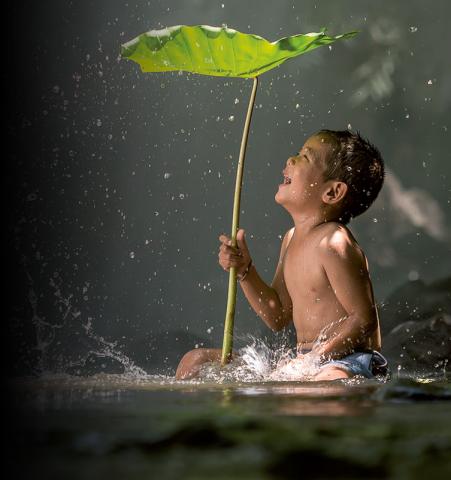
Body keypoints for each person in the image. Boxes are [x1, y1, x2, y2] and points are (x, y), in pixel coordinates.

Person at [175, 129, 389, 381]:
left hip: (349, 360)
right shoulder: (290, 239)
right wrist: (245, 270)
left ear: (332, 192)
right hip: (307, 359)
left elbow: (363, 321)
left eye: (305, 157)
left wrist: (312, 361)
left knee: (325, 382)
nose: (291, 159)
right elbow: (277, 316)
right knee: (194, 360)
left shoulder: (334, 242)